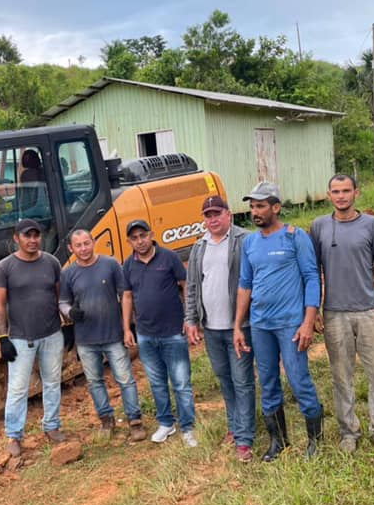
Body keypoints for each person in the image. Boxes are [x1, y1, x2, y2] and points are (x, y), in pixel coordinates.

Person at [234, 182, 324, 460]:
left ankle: (315, 442)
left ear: (276, 207)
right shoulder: (249, 242)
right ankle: (278, 441)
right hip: (261, 325)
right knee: (269, 382)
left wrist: (308, 321)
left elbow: (311, 277)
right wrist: (238, 325)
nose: (255, 212)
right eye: (252, 207)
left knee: (298, 380)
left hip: (290, 324)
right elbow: (245, 284)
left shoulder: (294, 237)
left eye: (260, 206)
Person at [310, 174, 374, 453]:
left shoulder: (371, 225)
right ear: (328, 195)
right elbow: (313, 273)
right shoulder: (320, 227)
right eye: (335, 191)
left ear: (356, 193)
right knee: (341, 376)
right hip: (335, 314)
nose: (341, 196)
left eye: (346, 191)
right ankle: (349, 432)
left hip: (370, 312)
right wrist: (312, 311)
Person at [185, 195, 256, 462]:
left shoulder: (244, 240)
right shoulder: (199, 247)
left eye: (217, 214)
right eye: (208, 215)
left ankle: (245, 439)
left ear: (229, 215)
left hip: (240, 326)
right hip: (212, 328)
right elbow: (192, 286)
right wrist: (191, 320)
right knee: (225, 379)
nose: (213, 219)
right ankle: (234, 426)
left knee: (243, 381)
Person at [60, 228, 148, 443]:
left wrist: (129, 325)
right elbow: (63, 302)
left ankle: (135, 420)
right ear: (71, 248)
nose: (83, 248)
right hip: (86, 339)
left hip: (112, 335)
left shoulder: (110, 265)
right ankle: (106, 419)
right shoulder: (69, 274)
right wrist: (70, 312)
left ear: (94, 242)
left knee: (125, 379)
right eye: (78, 245)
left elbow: (125, 295)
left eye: (86, 243)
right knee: (95, 381)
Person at [0, 218, 66, 457]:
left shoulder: (51, 262)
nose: (32, 240)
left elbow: (59, 297)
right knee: (18, 388)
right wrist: (3, 337)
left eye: (36, 236)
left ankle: (52, 426)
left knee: (53, 382)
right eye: (27, 236)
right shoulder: (5, 268)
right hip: (21, 338)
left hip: (52, 334)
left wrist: (68, 325)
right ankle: (14, 435)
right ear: (17, 238)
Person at [121, 219, 198, 447]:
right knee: (156, 382)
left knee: (181, 381)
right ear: (129, 241)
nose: (140, 241)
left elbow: (185, 285)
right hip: (145, 334)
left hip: (173, 331)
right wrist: (127, 328)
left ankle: (188, 427)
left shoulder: (169, 257)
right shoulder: (128, 265)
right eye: (134, 238)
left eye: (143, 236)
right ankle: (166, 423)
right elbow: (127, 296)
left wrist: (189, 318)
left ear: (151, 234)